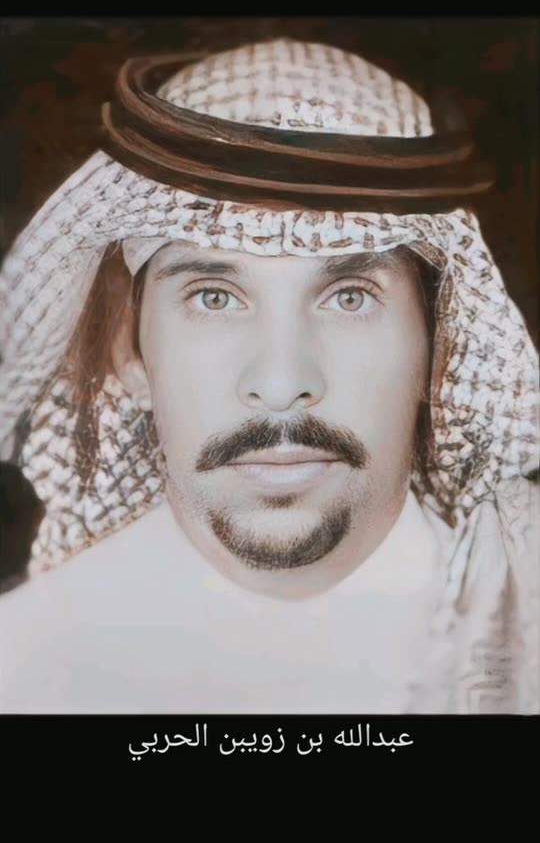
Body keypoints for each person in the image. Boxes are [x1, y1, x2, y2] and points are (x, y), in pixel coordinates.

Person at [0, 37, 537, 715]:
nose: (281, 384)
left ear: (441, 350)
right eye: (214, 298)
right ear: (128, 354)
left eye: (349, 298)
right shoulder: (23, 673)